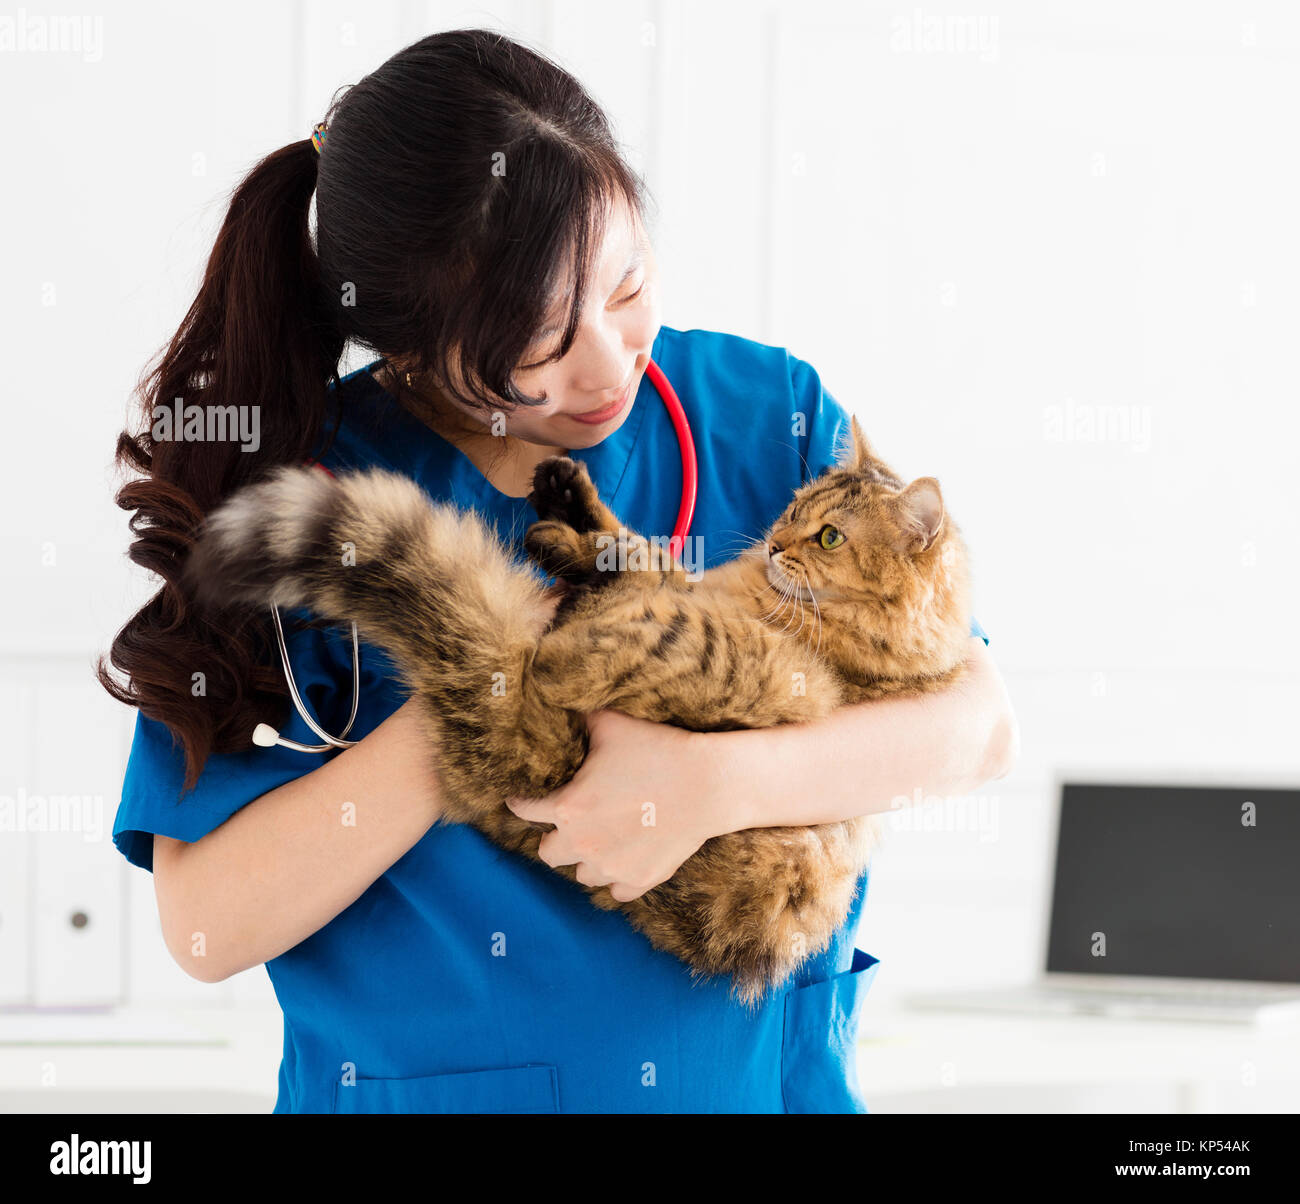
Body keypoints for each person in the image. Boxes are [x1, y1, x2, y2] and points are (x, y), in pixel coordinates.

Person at [101, 28, 1018, 1114]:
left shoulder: (763, 419)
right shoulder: (308, 491)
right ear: (408, 346)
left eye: (627, 284)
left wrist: (708, 787)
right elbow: (204, 925)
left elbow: (975, 730)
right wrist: (485, 699)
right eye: (538, 341)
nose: (610, 361)